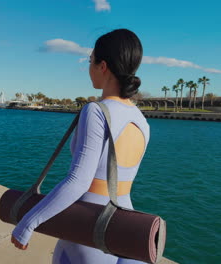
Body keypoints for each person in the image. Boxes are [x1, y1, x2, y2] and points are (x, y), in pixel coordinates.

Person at [11, 29, 150, 264]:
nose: (89, 68)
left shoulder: (96, 110)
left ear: (102, 66)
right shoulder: (140, 120)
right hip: (126, 227)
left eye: (90, 61)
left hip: (90, 227)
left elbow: (79, 181)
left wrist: (28, 222)